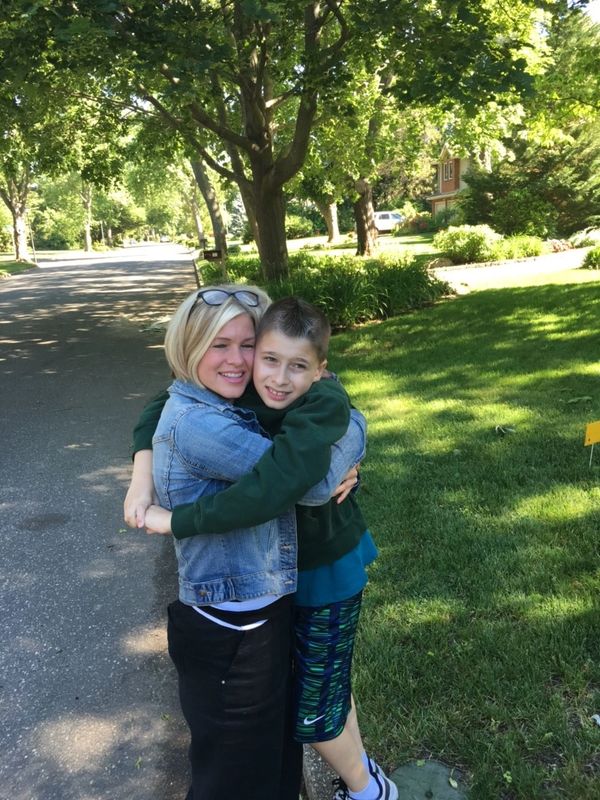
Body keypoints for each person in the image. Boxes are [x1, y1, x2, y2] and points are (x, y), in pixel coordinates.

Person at [130, 296, 398, 800]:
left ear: (319, 370)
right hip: (280, 578)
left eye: (247, 346)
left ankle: (368, 789)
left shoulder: (313, 395)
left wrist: (352, 437)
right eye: (262, 356)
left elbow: (306, 485)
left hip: (323, 566)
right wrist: (141, 473)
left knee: (316, 702)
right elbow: (160, 402)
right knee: (318, 687)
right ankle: (364, 778)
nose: (251, 365)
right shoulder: (236, 391)